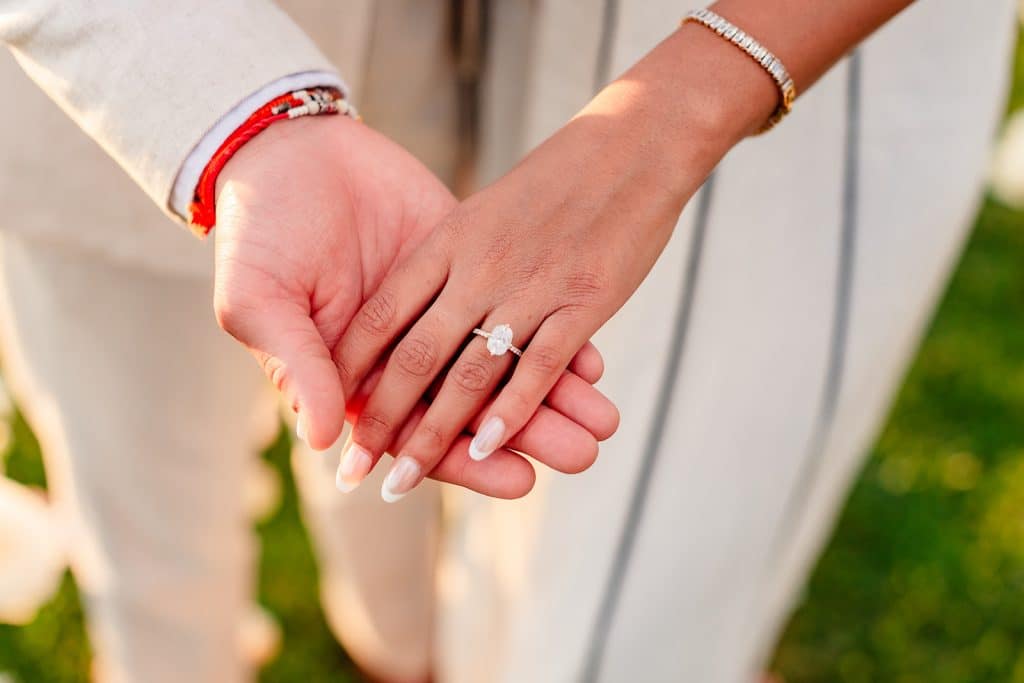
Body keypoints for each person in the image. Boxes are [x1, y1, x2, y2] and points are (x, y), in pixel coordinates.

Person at [0, 1, 1014, 682]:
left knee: (425, 491)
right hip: (102, 94)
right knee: (144, 513)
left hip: (485, 71)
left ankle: (404, 650)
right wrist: (237, 116)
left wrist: (664, 118)